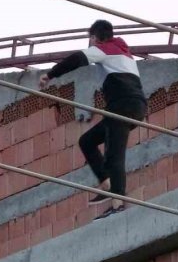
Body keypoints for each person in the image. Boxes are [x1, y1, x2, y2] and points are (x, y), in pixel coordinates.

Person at [39, 20, 147, 220]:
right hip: (132, 106)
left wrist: (50, 75)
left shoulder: (103, 49)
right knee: (87, 141)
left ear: (94, 38)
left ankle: (117, 204)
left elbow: (77, 59)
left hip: (122, 107)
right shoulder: (124, 53)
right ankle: (106, 184)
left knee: (114, 155)